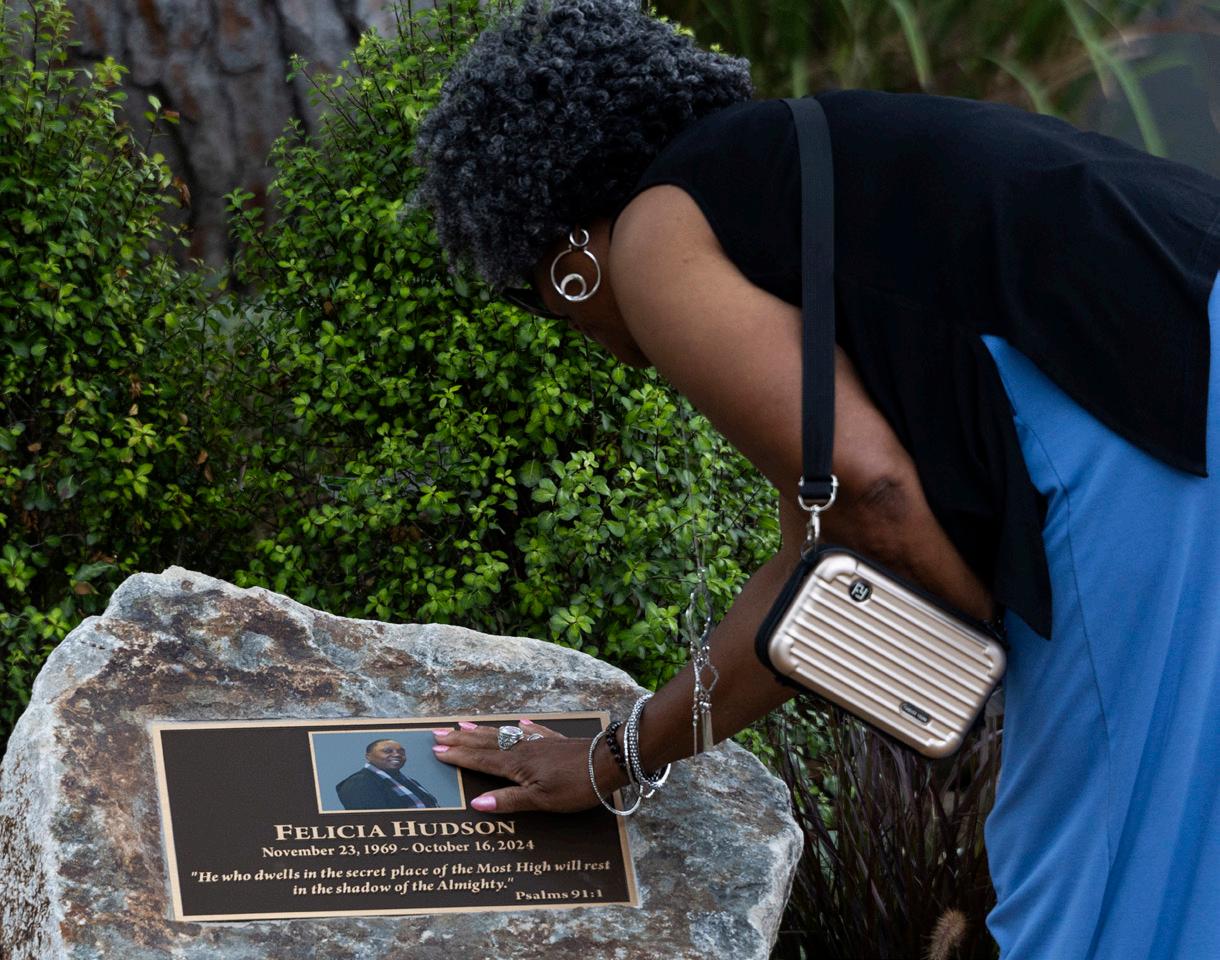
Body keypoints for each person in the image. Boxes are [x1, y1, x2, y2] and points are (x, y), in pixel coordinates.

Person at [413, 2, 1220, 957]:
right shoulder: (803, 174)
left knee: (1088, 890)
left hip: (1157, 415)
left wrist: (979, 661)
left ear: (568, 255)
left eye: (531, 289)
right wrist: (613, 757)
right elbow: (816, 566)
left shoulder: (652, 233)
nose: (567, 325)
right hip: (1187, 324)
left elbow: (874, 500)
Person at [335, 738, 439, 810]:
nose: (397, 755)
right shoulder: (358, 783)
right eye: (387, 751)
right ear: (368, 756)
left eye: (401, 752)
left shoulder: (407, 781)